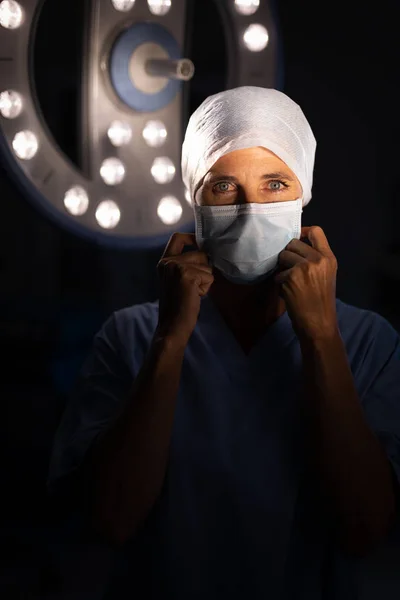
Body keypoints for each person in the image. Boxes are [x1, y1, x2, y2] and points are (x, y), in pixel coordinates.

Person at [47, 87, 400, 599]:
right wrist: (171, 338)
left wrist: (321, 336)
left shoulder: (369, 342)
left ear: (303, 197)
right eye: (224, 187)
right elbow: (110, 520)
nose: (250, 207)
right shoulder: (130, 337)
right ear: (195, 197)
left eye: (275, 184)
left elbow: (365, 529)